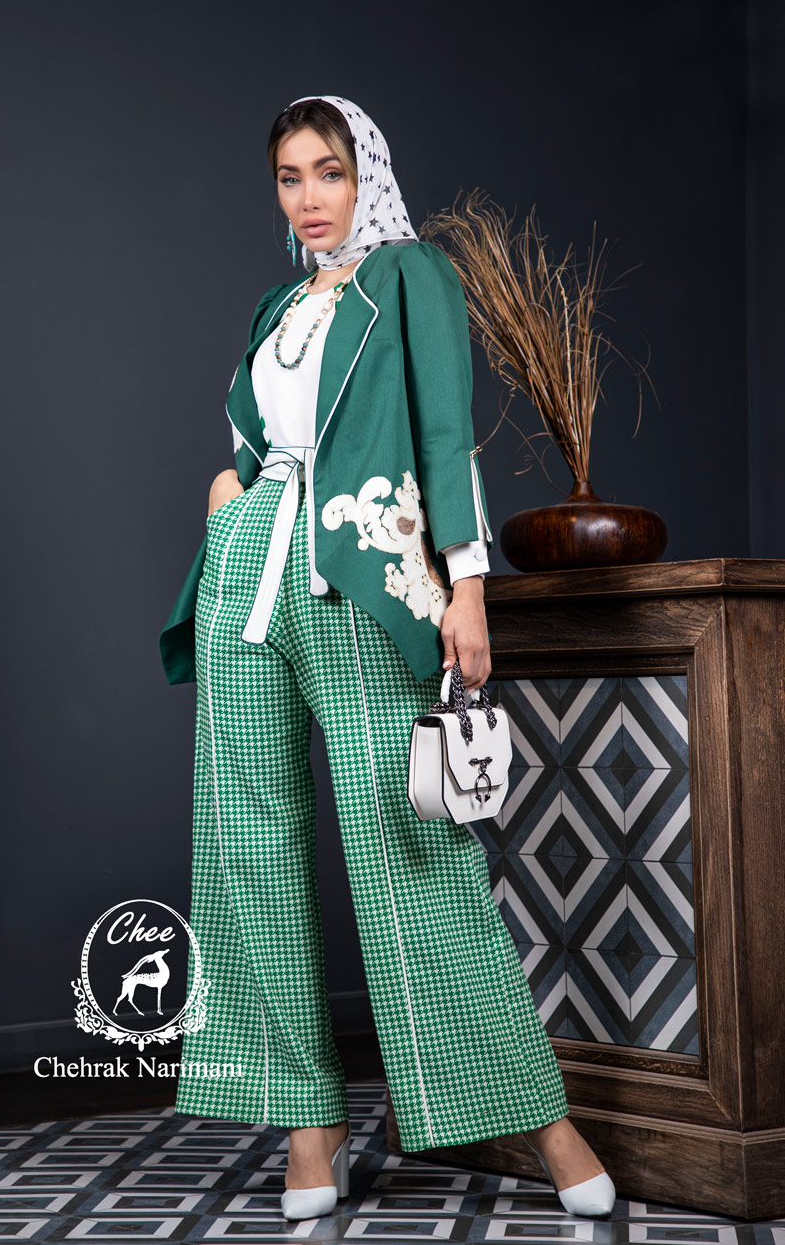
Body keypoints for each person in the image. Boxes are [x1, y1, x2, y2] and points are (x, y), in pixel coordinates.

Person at [159, 94, 616, 1221]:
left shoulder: (411, 276)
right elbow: (257, 438)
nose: (309, 198)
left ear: (366, 173)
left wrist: (467, 583)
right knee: (246, 845)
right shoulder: (278, 303)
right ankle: (307, 1121)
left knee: (408, 842)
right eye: (289, 177)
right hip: (248, 575)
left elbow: (443, 432)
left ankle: (532, 1111)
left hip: (366, 573)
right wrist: (226, 498)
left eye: (329, 172)